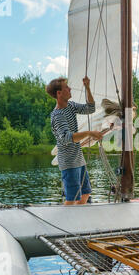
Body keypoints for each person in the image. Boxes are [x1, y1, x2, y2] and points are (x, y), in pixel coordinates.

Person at [46, 77, 103, 205]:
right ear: (59, 93)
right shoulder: (58, 115)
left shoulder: (70, 106)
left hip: (79, 159)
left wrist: (87, 87)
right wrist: (89, 133)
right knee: (72, 198)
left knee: (86, 193)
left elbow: (90, 108)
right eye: (66, 87)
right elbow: (67, 138)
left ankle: (78, 219)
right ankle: (66, 221)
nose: (70, 88)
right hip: (69, 162)